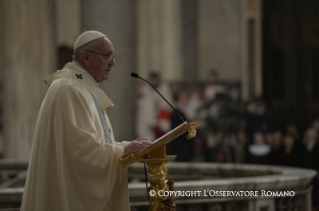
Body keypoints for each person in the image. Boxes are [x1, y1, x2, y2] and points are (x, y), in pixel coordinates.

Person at [21, 31, 151, 211]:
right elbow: (81, 152)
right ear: (87, 58)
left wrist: (126, 146)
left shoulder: (79, 87)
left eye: (113, 57)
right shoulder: (69, 89)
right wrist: (122, 150)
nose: (113, 63)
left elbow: (91, 143)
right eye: (107, 56)